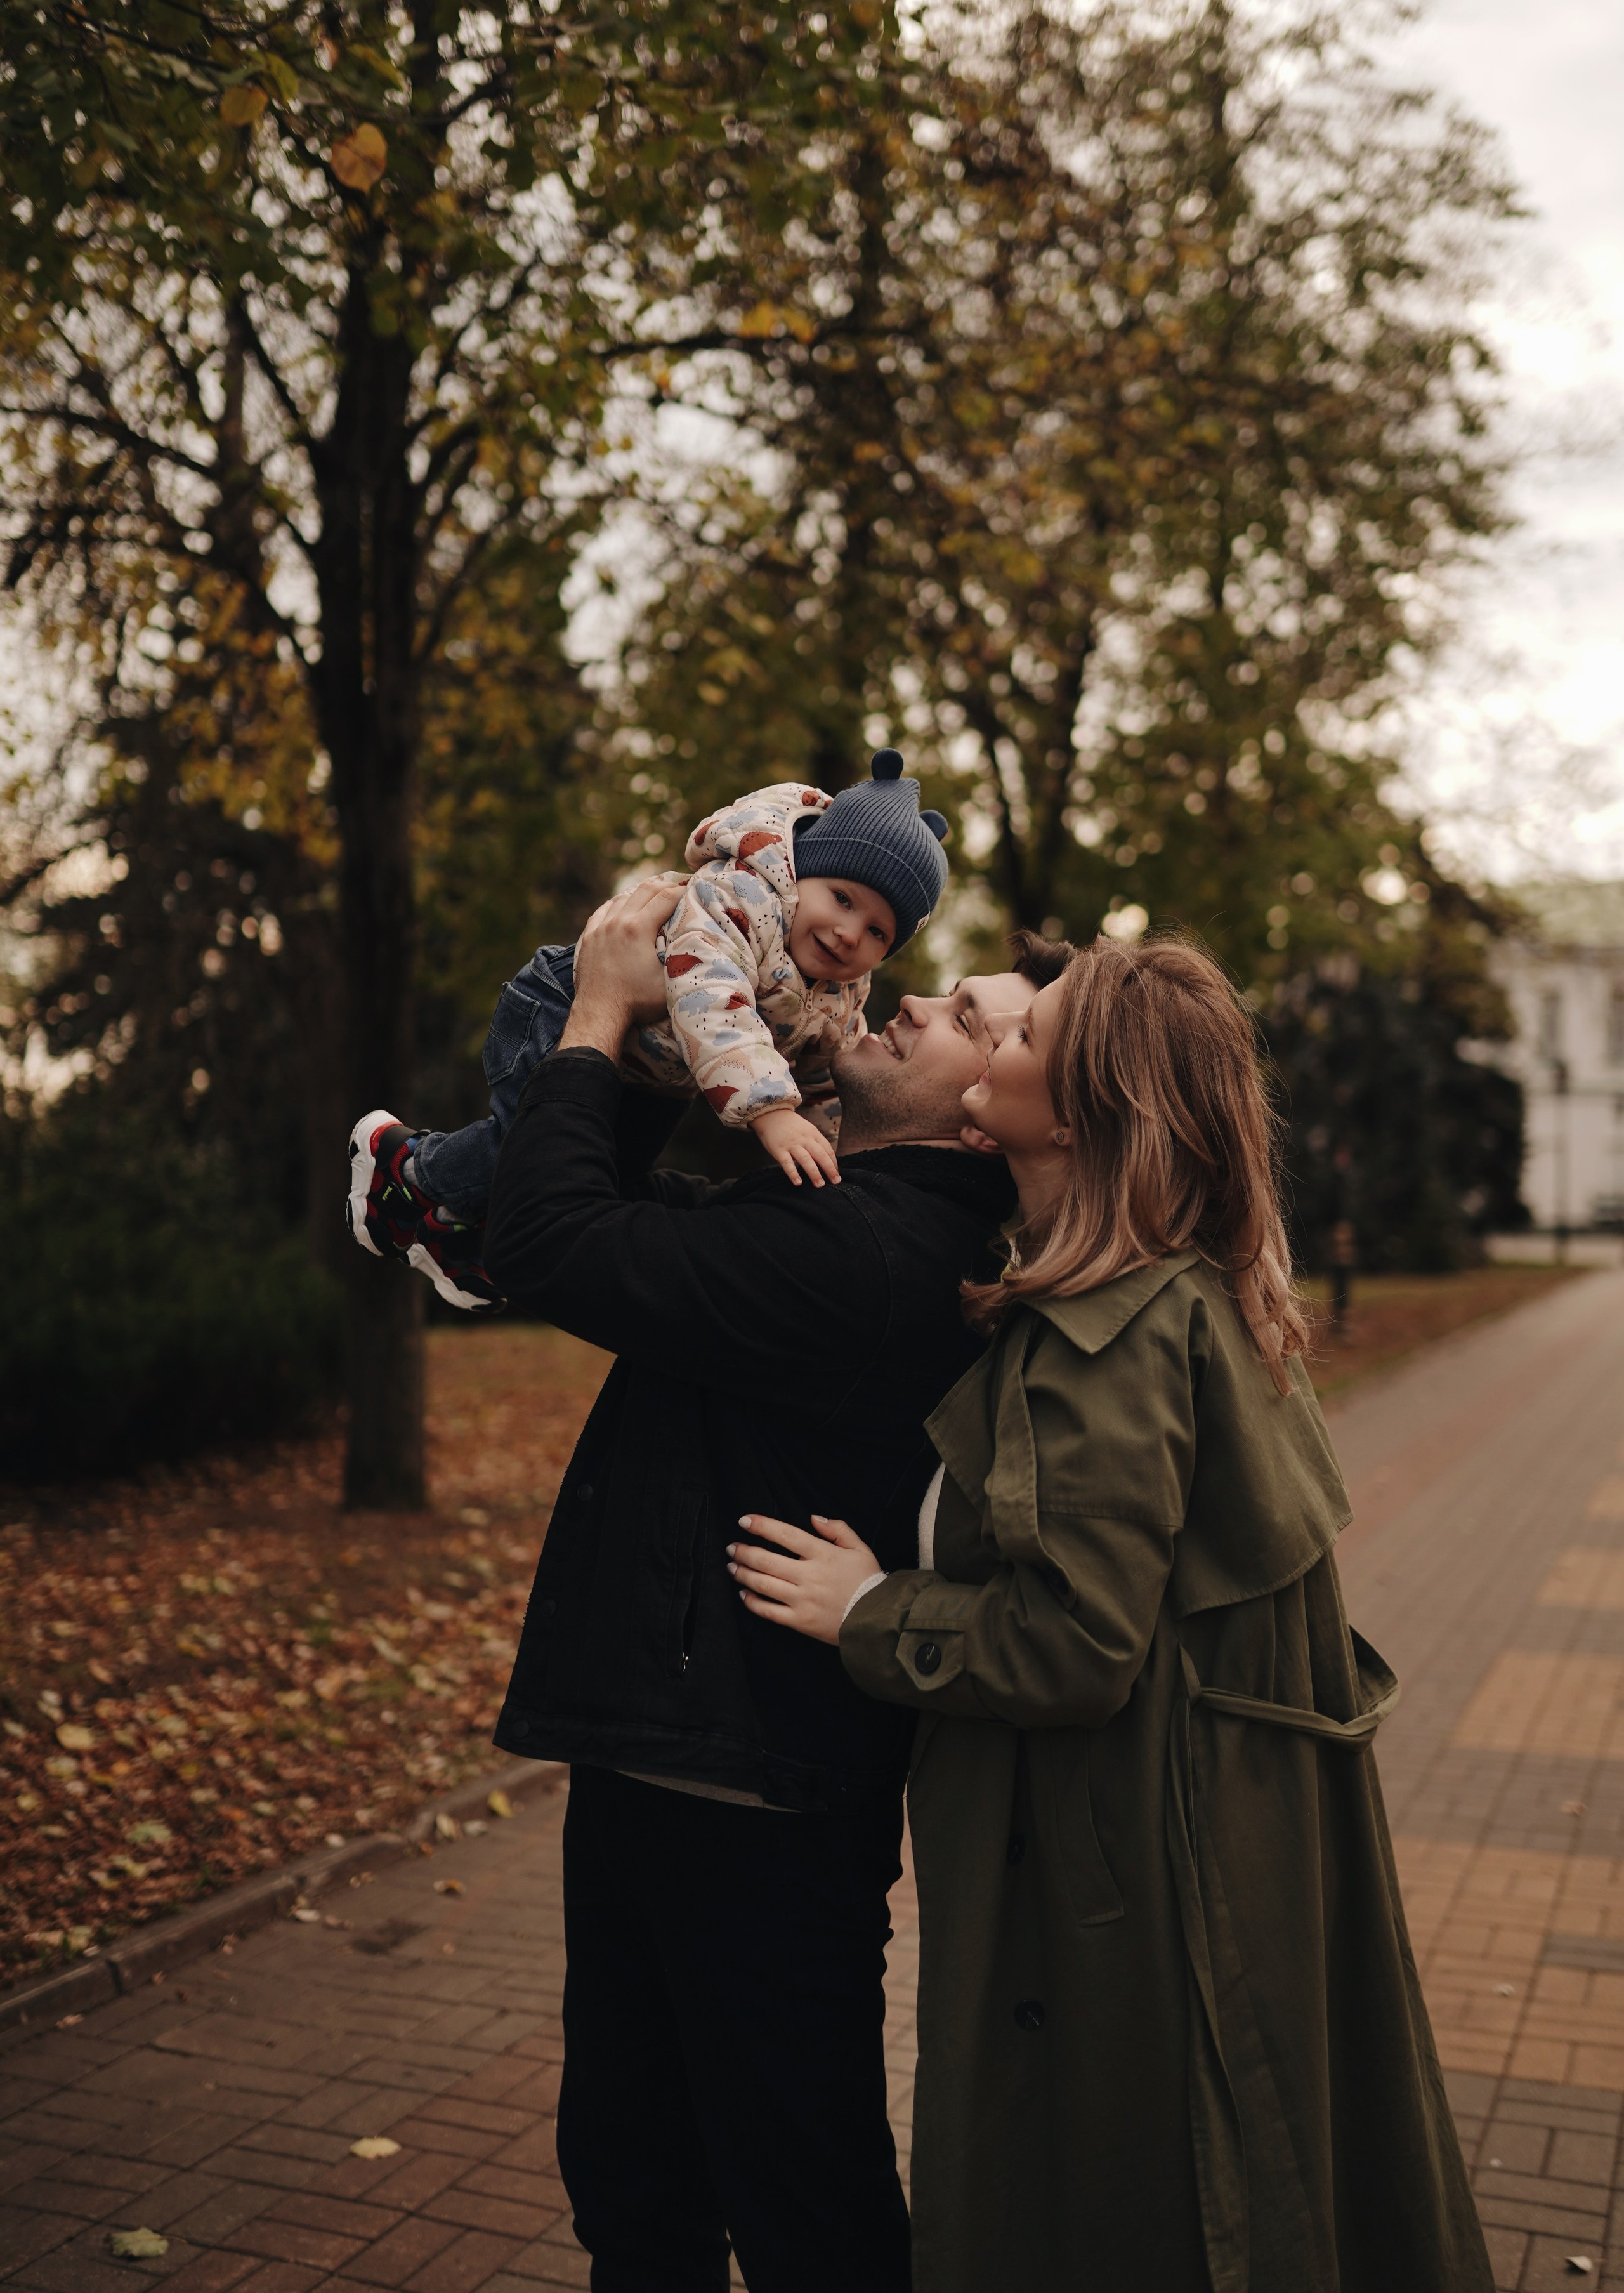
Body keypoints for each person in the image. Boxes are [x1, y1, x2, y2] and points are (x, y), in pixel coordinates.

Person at [730, 933, 1495, 2293]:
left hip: (1135, 1870)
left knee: (1138, 2199)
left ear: (1079, 1116)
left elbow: (1076, 1645)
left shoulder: (1109, 1335)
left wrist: (871, 1610)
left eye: (1025, 1035)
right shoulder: (1172, 1289)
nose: (995, 1033)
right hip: (1190, 1836)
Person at [481, 875, 1066, 2293]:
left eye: (960, 1015)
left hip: (747, 1806)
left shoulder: (865, 1254)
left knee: (802, 2211)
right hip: (693, 1771)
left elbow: (553, 1243)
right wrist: (653, 1048)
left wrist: (600, 1017)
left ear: (979, 1113)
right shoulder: (847, 1215)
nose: (908, 1000)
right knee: (642, 2185)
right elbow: (627, 1218)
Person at [344, 750, 950, 1307]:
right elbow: (712, 996)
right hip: (566, 1006)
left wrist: (843, 1154)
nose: (850, 933)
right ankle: (407, 1167)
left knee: (609, 1176)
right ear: (804, 872)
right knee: (525, 1147)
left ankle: (458, 1239)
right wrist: (771, 1111)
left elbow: (825, 1071)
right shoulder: (743, 899)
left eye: (878, 932)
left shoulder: (843, 992)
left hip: (653, 1071)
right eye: (843, 899)